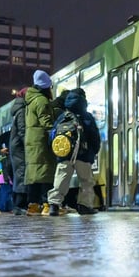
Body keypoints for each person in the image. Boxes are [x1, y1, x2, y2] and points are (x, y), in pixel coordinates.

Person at [46, 87, 101, 216]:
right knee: (86, 181)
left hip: (64, 155)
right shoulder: (87, 117)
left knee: (61, 180)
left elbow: (52, 136)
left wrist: (58, 153)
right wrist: (93, 152)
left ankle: (54, 205)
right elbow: (94, 136)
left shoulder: (62, 117)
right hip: (83, 155)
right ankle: (84, 205)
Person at [23, 69, 58, 215]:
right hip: (41, 140)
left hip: (31, 140)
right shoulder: (41, 100)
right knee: (45, 172)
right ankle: (46, 205)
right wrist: (56, 131)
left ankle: (33, 205)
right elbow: (46, 122)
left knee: (34, 174)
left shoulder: (30, 101)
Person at [8, 88, 28, 214]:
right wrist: (28, 143)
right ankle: (19, 205)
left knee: (20, 173)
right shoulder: (21, 110)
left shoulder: (18, 109)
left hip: (17, 147)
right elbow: (22, 130)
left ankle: (19, 205)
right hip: (20, 147)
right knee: (21, 173)